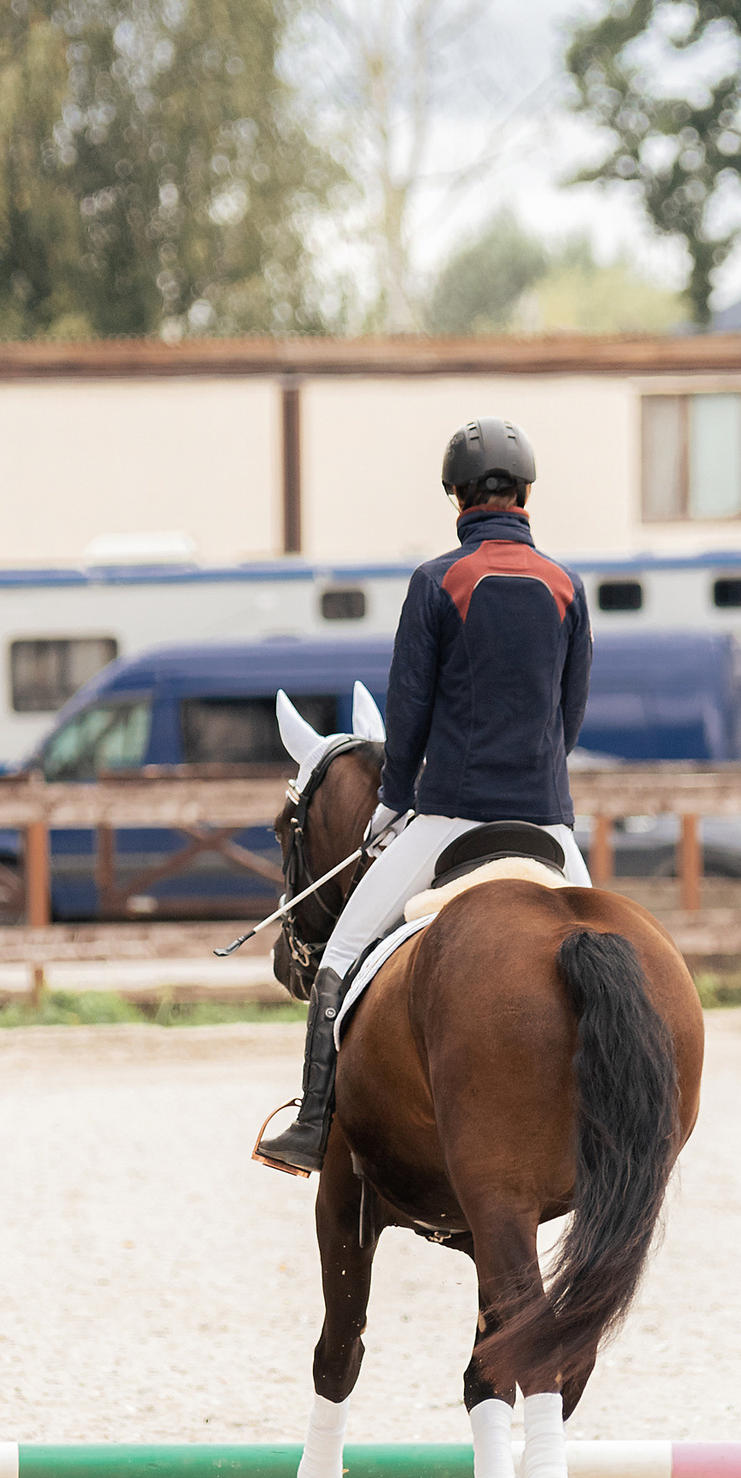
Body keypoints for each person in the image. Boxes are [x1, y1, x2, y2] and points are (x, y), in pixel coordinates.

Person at [254, 416, 594, 1175]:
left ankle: (311, 1124)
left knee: (342, 954)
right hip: (548, 824)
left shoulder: (436, 582)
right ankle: (608, 1129)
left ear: (457, 498)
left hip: (447, 818)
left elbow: (406, 716)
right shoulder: (569, 587)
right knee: (609, 962)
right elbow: (568, 715)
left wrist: (392, 802)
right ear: (526, 493)